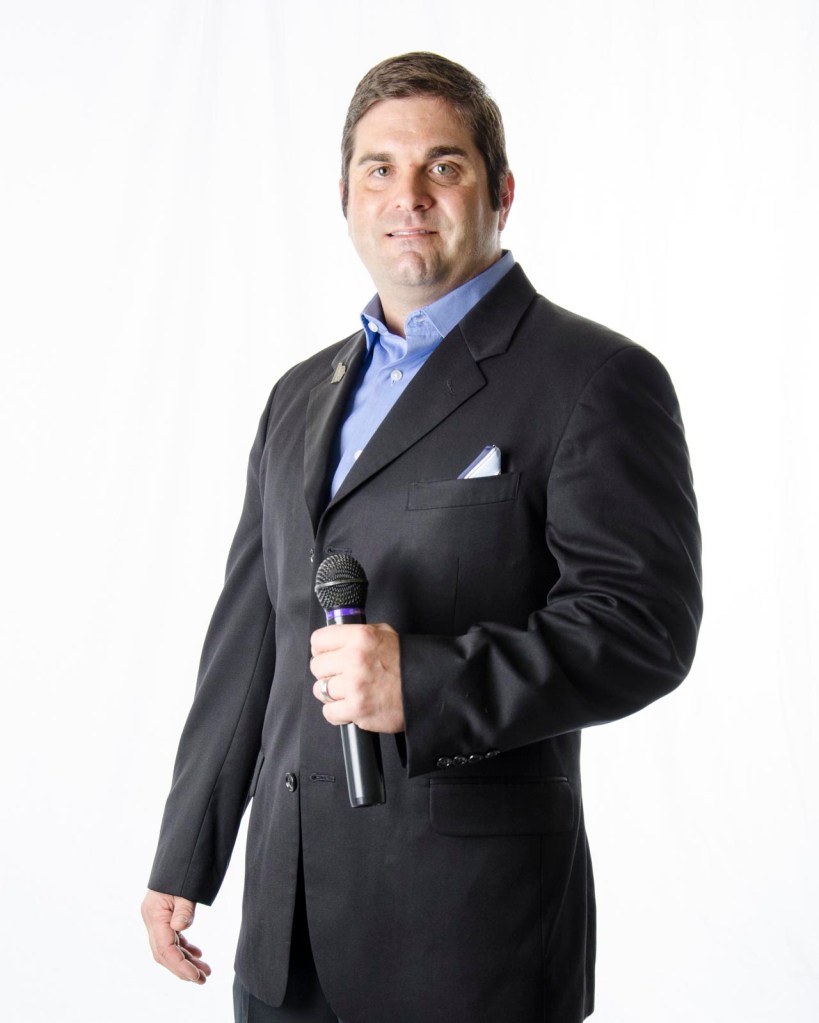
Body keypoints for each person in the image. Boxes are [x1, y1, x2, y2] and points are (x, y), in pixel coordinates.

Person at [141, 51, 702, 1023]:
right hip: (287, 936)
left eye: (443, 166)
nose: (408, 196)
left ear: (501, 191)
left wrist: (427, 681)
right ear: (346, 198)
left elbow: (641, 627)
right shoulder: (298, 395)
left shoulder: (595, 378)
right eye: (379, 169)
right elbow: (251, 638)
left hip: (470, 938)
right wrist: (187, 850)